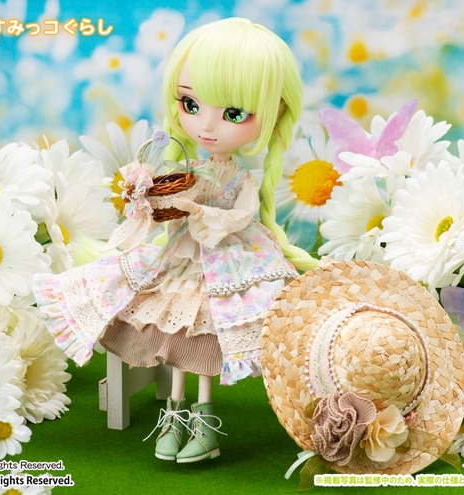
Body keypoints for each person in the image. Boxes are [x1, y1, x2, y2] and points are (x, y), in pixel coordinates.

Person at [32, 17, 318, 464]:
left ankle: (204, 421)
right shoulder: (188, 168)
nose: (208, 125)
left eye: (234, 113)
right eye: (191, 103)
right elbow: (159, 210)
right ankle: (174, 414)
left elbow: (240, 216)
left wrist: (199, 212)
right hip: (181, 257)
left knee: (206, 333)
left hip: (227, 260)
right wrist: (145, 194)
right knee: (172, 328)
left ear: (274, 113)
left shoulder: (241, 178)